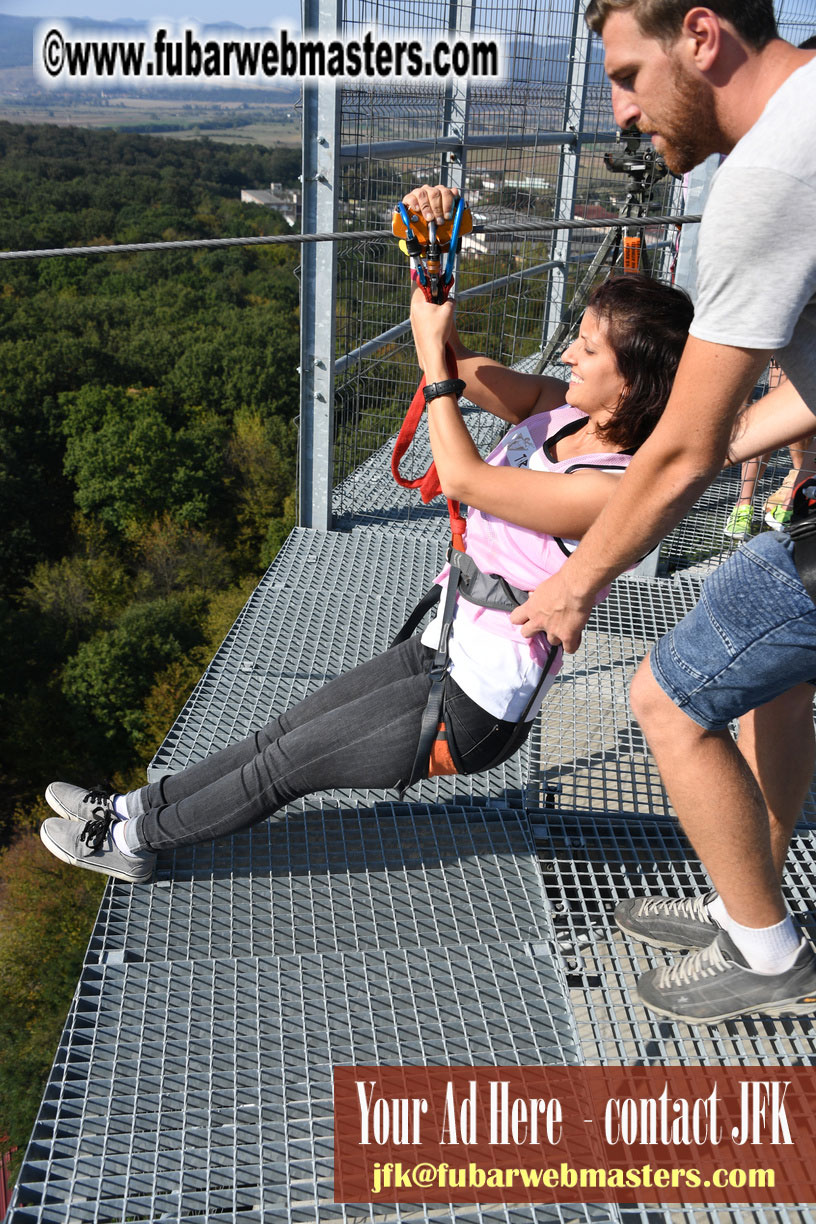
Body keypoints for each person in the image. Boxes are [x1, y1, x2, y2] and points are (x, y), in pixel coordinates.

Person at [39, 273, 694, 886]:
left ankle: (131, 844)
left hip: (477, 701)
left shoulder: (613, 487)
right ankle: (131, 807)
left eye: (587, 347)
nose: (569, 357)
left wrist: (436, 372)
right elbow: (462, 373)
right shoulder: (563, 409)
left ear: (632, 383)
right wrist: (431, 275)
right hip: (446, 639)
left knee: (283, 767)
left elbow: (465, 477)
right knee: (278, 735)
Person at [506, 2, 816, 1024]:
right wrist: (736, 439)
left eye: (631, 75)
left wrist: (571, 583)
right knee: (780, 679)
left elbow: (678, 446)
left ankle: (767, 953)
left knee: (668, 696)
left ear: (701, 35)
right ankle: (747, 900)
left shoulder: (769, 171)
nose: (624, 114)